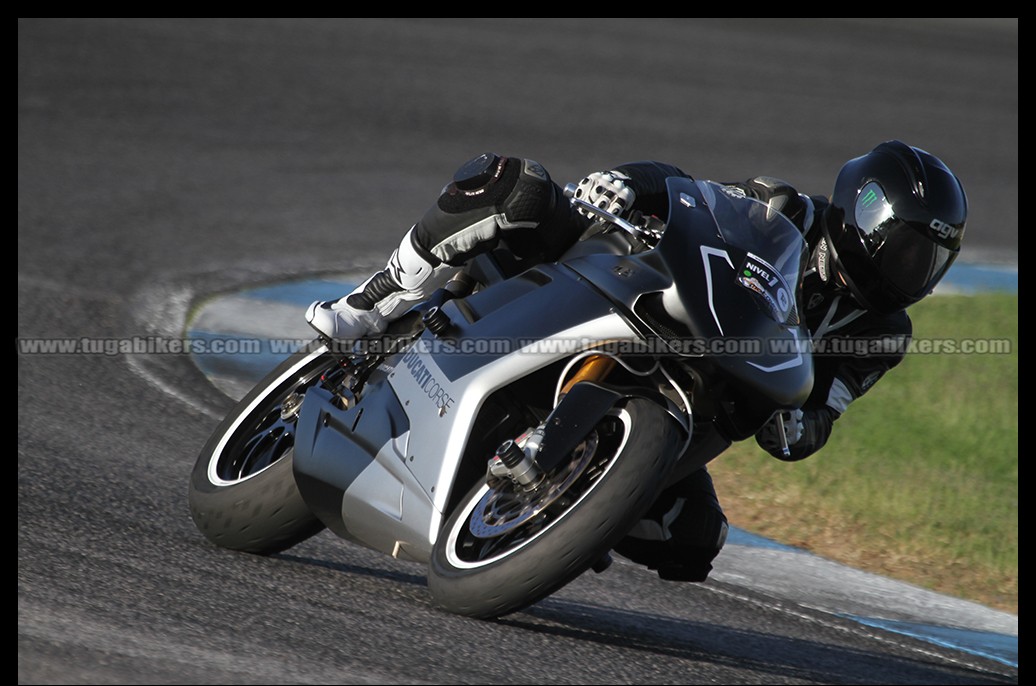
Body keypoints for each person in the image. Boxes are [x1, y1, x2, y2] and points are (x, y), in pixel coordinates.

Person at [305, 142, 968, 583]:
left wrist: (800, 427)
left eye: (932, 258)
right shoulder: (782, 207)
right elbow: (687, 193)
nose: (915, 269)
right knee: (520, 186)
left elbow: (827, 409)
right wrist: (625, 187)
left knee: (694, 539)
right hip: (627, 288)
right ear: (866, 217)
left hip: (696, 400)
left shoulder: (884, 333)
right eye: (908, 248)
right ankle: (375, 301)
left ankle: (579, 502)